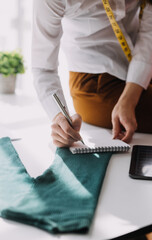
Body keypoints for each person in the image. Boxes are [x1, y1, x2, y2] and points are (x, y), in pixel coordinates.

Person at [31, 0, 152, 148]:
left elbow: (148, 33)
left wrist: (130, 98)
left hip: (142, 64)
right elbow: (43, 67)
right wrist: (59, 117)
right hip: (96, 82)